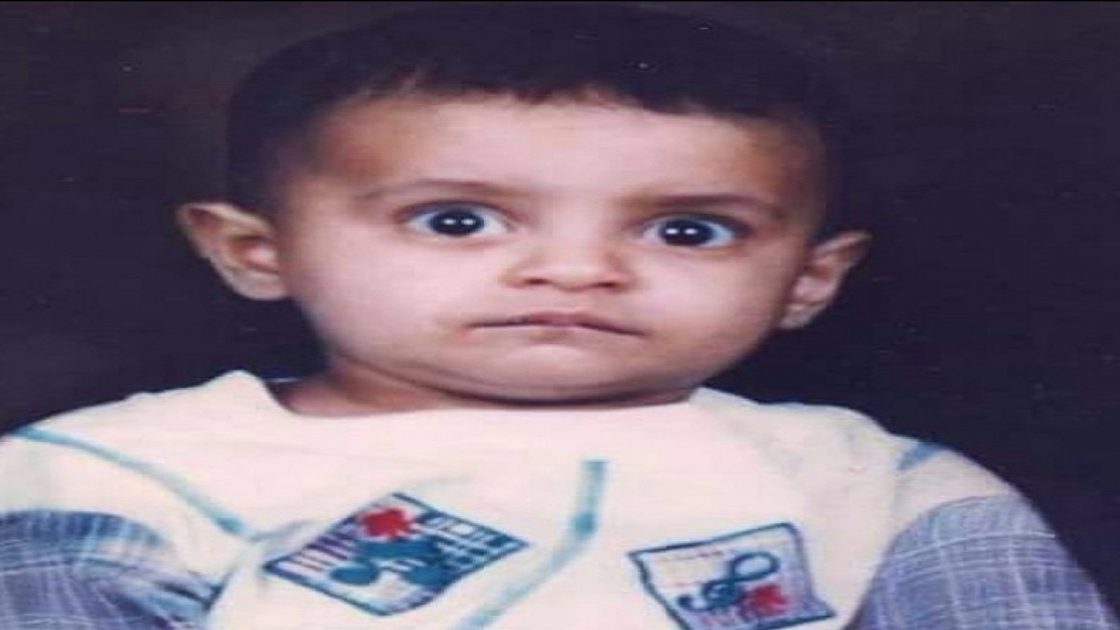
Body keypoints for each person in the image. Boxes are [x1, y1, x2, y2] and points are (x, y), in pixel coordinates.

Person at [0, 4, 1113, 629]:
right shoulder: (112, 480)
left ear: (810, 279)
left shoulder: (883, 490)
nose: (577, 271)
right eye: (456, 221)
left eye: (687, 230)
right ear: (257, 252)